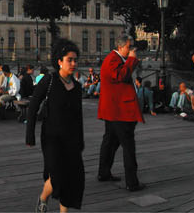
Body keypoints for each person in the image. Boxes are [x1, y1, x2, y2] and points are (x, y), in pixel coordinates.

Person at [25, 39, 86, 212]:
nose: (74, 63)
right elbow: (33, 106)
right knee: (57, 174)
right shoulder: (49, 80)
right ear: (59, 61)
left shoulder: (77, 87)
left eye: (75, 60)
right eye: (69, 60)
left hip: (71, 139)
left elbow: (78, 116)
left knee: (72, 178)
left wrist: (80, 141)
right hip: (52, 137)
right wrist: (30, 134)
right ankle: (43, 198)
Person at [96, 39, 145, 192]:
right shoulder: (113, 59)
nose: (131, 50)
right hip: (119, 111)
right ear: (120, 47)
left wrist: (129, 59)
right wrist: (132, 59)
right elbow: (122, 75)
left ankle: (104, 173)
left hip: (114, 110)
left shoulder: (114, 59)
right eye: (129, 47)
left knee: (110, 142)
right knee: (128, 146)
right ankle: (132, 182)